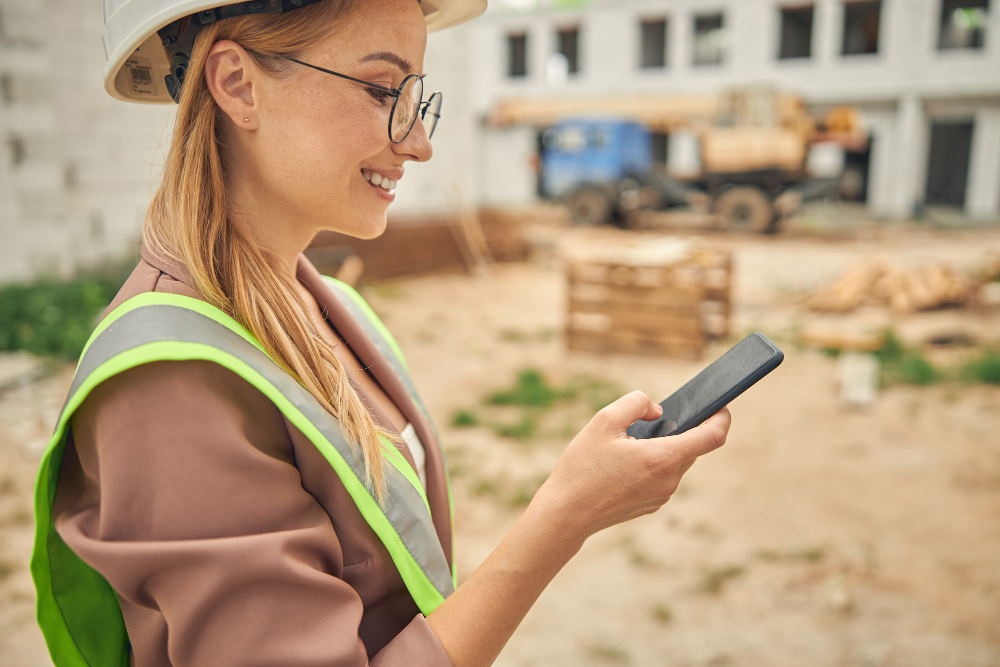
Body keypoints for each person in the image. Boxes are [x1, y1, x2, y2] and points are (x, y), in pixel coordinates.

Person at [31, 0, 732, 665]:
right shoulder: (170, 388)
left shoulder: (322, 301)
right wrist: (565, 515)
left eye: (416, 96)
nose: (419, 142)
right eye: (380, 90)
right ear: (238, 86)